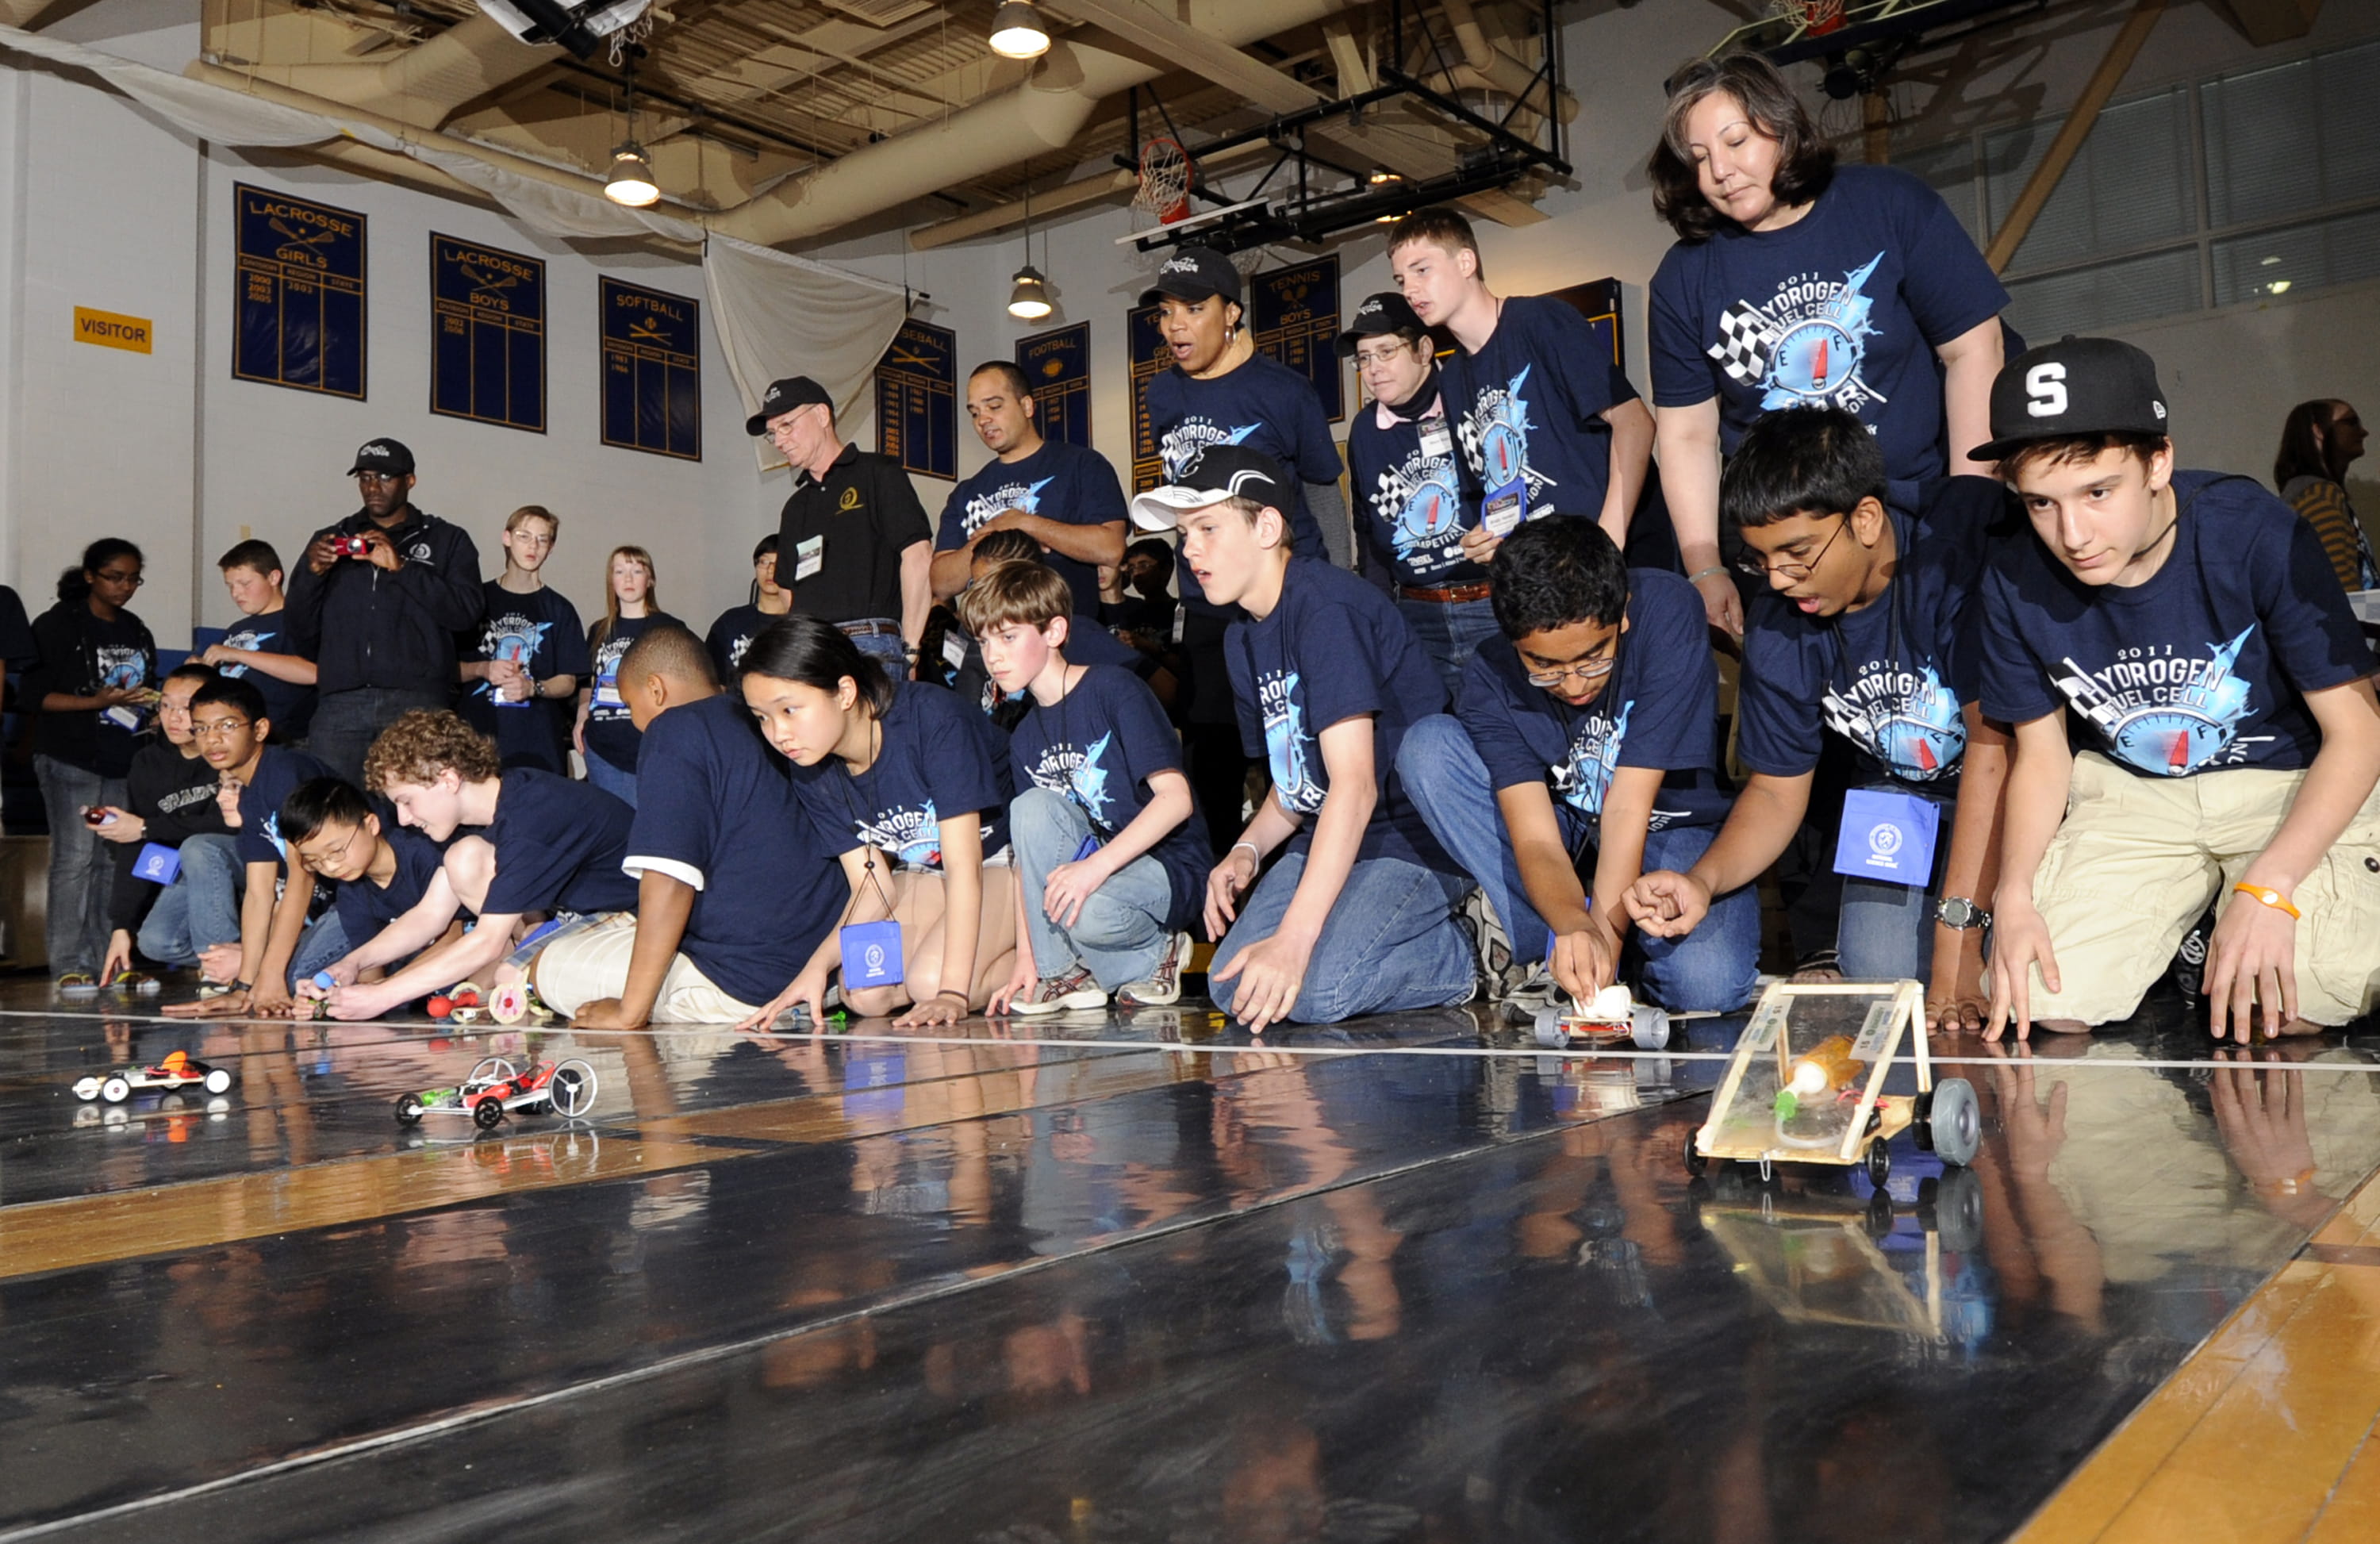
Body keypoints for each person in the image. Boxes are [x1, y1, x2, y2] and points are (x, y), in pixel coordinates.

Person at [1973, 337, 2380, 1043]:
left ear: (2158, 461)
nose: (2073, 533)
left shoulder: (2253, 532)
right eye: (2040, 502)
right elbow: (2041, 755)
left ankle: (2220, 921)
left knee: (2286, 1008)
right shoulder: (2012, 576)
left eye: (2098, 492)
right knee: (2041, 999)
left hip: (2282, 783)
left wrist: (2270, 887)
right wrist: (2013, 894)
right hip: (2135, 796)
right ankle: (2188, 934)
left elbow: (2360, 730)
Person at [1625, 407, 2012, 1031]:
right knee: (1881, 974)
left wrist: (1959, 939)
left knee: (2020, 981)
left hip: (2013, 786)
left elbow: (1998, 753)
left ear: (1866, 518)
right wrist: (1703, 881)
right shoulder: (1783, 620)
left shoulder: (1954, 555)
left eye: (1798, 553)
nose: (1779, 579)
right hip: (1901, 798)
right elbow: (1776, 792)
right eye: (1760, 559)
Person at [1646, 52, 2009, 635]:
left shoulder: (1888, 204)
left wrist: (1970, 502)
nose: (1720, 171)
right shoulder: (1683, 276)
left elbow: (1974, 349)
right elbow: (1687, 434)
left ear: (1782, 127)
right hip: (1782, 542)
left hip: (1915, 514)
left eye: (1736, 141)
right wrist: (1704, 564)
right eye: (1700, 157)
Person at [1130, 445, 1475, 1030]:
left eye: (1208, 528)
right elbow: (1297, 786)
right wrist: (1246, 850)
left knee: (1315, 991)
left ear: (1267, 527)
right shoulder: (1241, 637)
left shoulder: (1325, 608)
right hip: (1329, 838)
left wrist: (1295, 939)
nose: (1189, 550)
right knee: (1232, 984)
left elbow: (1355, 787)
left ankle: (1469, 949)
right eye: (1184, 534)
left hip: (1408, 840)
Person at [1399, 520, 1756, 1014]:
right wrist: (1571, 922)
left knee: (1707, 986)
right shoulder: (1490, 674)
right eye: (1544, 666)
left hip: (1666, 822)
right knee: (1428, 748)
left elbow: (1628, 807)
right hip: (1566, 828)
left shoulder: (1665, 608)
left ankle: (1611, 951)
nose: (1573, 684)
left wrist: (1604, 949)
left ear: (1622, 614)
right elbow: (1537, 840)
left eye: (1594, 658)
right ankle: (1547, 947)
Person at [529, 624, 846, 1029]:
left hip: (747, 986)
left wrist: (630, 1012)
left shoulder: (674, 729)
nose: (634, 721)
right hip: (831, 970)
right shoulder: (769, 720)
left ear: (656, 690)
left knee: (546, 966)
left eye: (630, 705)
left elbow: (669, 879)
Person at [1142, 246, 1349, 854]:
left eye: (1193, 309)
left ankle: (1314, 871)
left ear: (1231, 312)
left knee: (1302, 752)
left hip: (1287, 601)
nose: (1175, 326)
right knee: (1214, 760)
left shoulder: (1284, 391)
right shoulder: (1162, 395)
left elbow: (1323, 493)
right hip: (1207, 607)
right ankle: (1226, 887)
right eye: (1166, 312)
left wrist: (1338, 590)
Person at [739, 616, 1018, 1027]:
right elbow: (872, 886)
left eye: (789, 710)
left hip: (1002, 861)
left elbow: (965, 866)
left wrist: (952, 993)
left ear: (845, 692)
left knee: (930, 983)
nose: (779, 733)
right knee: (865, 992)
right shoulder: (810, 768)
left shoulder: (932, 720)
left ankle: (1053, 966)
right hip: (926, 869)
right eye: (762, 717)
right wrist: (816, 968)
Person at [959, 560, 1210, 1013]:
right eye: (984, 641)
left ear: (1054, 632)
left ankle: (1160, 952)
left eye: (1008, 637)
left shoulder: (1114, 689)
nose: (993, 656)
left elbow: (1176, 801)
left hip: (1166, 865)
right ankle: (1063, 974)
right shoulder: (1024, 735)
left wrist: (1094, 870)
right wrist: (1028, 959)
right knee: (1029, 809)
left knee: (1090, 912)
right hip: (1098, 868)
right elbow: (1026, 863)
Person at [311, 710, 638, 1020]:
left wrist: (383, 996)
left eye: (406, 801)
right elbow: (429, 915)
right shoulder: (492, 809)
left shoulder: (529, 818)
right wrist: (353, 963)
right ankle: (532, 947)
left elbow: (487, 941)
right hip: (587, 915)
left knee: (511, 975)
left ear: (449, 780)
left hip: (634, 917)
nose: (403, 818)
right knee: (463, 857)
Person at [1388, 209, 1660, 574]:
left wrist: (1608, 538)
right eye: (1401, 280)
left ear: (1466, 262)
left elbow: (1635, 422)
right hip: (1544, 574)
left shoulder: (1540, 321)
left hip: (1619, 562)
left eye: (1422, 270)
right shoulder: (1451, 378)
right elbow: (1490, 490)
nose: (1410, 290)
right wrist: (1483, 539)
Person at [282, 438, 485, 781]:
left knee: (421, 801)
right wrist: (311, 574)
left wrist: (402, 568)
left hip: (417, 701)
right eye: (365, 478)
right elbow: (299, 629)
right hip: (341, 703)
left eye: (385, 477)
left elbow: (465, 614)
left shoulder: (447, 539)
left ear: (410, 481)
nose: (373, 487)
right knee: (336, 804)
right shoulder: (332, 539)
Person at [1338, 290, 1494, 694]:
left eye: (1386, 352)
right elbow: (1367, 532)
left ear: (1424, 350)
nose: (1373, 369)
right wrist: (1380, 617)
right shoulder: (1364, 431)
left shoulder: (1469, 394)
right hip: (1415, 616)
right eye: (1364, 358)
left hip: (1493, 603)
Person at [158, 677, 332, 1017]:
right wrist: (246, 987)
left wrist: (271, 975)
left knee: (293, 978)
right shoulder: (251, 796)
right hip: (327, 912)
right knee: (279, 980)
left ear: (260, 729)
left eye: (226, 726)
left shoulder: (285, 772)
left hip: (366, 905)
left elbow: (302, 877)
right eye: (201, 729)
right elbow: (258, 893)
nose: (212, 739)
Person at [24, 539, 156, 985]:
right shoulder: (58, 624)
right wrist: (96, 703)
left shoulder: (136, 628)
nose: (125, 587)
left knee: (112, 861)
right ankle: (69, 963)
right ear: (90, 576)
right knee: (75, 859)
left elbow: (143, 687)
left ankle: (108, 959)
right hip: (72, 758)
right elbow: (34, 697)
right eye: (115, 577)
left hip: (123, 757)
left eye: (133, 579)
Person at [752, 374, 933, 671]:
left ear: (822, 415)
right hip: (814, 650)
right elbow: (787, 590)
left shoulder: (877, 473)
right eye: (772, 434)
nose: (780, 441)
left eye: (786, 426)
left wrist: (910, 647)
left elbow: (917, 554)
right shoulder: (795, 507)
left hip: (870, 645)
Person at [929, 361, 1129, 616]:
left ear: (1026, 406)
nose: (983, 420)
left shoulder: (1081, 465)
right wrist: (996, 539)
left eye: (994, 406)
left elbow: (1111, 549)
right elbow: (941, 583)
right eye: (975, 413)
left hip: (1061, 629)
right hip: (984, 635)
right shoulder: (966, 492)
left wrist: (1027, 525)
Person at [95, 663, 238, 983]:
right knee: (157, 942)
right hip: (190, 869)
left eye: (186, 708)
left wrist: (148, 827)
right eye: (166, 705)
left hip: (248, 861)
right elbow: (136, 840)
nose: (174, 717)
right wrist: (121, 925)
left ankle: (221, 979)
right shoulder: (148, 762)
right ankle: (248, 958)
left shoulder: (231, 751)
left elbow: (233, 825)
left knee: (199, 847)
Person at [277, 778, 454, 1002]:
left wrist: (385, 989)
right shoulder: (350, 892)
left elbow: (452, 942)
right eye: (314, 860)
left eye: (336, 851)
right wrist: (331, 1001)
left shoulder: (424, 855)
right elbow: (369, 973)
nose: (330, 867)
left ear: (371, 825)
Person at [461, 506, 588, 775]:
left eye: (542, 539)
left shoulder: (560, 609)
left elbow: (568, 681)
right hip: (475, 741)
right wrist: (483, 669)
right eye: (524, 536)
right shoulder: (475, 601)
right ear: (506, 538)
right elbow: (446, 669)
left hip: (538, 744)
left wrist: (533, 688)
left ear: (551, 548)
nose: (533, 546)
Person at [576, 546, 678, 807]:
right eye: (620, 572)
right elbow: (589, 682)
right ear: (611, 580)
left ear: (650, 579)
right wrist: (581, 715)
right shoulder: (599, 630)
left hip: (649, 745)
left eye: (637, 571)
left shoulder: (667, 628)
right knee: (612, 821)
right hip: (602, 746)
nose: (628, 579)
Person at [198, 540, 317, 744]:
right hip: (235, 737)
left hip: (282, 739)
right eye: (230, 586)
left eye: (245, 584)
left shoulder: (298, 621)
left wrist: (238, 654)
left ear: (273, 577)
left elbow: (313, 673)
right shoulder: (235, 629)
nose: (236, 593)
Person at [2274, 399, 2374, 593]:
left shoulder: (2309, 493)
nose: (2363, 432)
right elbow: (2338, 586)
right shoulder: (2318, 496)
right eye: (2351, 422)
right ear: (2318, 431)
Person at [704, 534, 792, 682]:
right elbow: (714, 680)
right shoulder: (730, 622)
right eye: (764, 562)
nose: (770, 570)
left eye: (778, 563)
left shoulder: (803, 624)